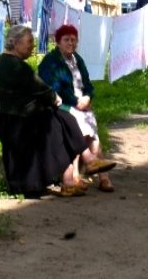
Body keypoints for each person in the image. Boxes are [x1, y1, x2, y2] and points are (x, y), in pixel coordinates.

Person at [0, 25, 115, 197]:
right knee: (63, 123)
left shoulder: (7, 63)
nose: (32, 46)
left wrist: (83, 96)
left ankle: (77, 172)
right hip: (22, 118)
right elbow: (41, 88)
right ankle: (81, 167)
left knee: (65, 120)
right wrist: (55, 99)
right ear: (15, 43)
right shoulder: (16, 66)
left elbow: (39, 88)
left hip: (21, 115)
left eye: (33, 43)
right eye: (29, 42)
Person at [38, 24, 114, 193]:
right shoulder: (51, 62)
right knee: (77, 130)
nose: (70, 43)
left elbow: (87, 84)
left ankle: (103, 177)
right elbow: (54, 88)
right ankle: (75, 176)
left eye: (73, 39)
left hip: (82, 103)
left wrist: (88, 97)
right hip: (63, 105)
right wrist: (75, 101)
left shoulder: (77, 59)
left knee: (93, 134)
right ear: (57, 42)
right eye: (66, 39)